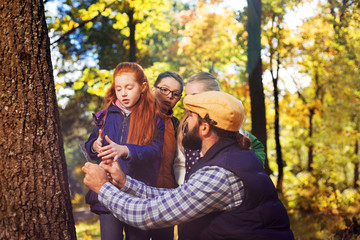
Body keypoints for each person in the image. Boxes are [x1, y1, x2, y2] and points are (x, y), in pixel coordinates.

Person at [82, 91, 295, 240]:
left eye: (190, 117)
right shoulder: (236, 157)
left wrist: (103, 188)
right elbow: (175, 198)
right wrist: (125, 182)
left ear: (204, 129)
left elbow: (148, 214)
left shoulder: (220, 174)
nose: (185, 122)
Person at [84, 62, 165, 240]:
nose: (123, 93)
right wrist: (94, 146)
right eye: (119, 88)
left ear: (143, 87)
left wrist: (126, 150)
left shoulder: (154, 118)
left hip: (137, 195)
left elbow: (155, 151)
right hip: (108, 192)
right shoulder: (105, 116)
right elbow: (90, 146)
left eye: (129, 87)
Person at [176, 72, 266, 183]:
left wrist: (250, 170)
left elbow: (252, 149)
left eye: (195, 96)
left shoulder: (227, 123)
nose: (189, 101)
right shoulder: (186, 124)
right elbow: (180, 163)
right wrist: (182, 186)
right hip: (192, 187)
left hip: (219, 185)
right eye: (187, 96)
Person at [149, 71, 184, 240]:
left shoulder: (176, 124)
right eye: (164, 89)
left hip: (166, 200)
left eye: (175, 94)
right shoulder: (135, 116)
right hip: (139, 198)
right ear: (153, 88)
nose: (169, 96)